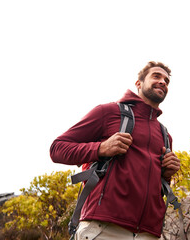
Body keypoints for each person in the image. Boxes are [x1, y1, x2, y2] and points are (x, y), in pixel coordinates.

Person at [50, 61, 181, 240]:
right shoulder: (109, 112)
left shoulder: (165, 134)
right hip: (104, 227)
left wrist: (167, 174)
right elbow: (57, 148)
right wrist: (101, 148)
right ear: (139, 83)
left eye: (166, 80)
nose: (163, 82)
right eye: (156, 76)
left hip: (148, 234)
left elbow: (154, 184)